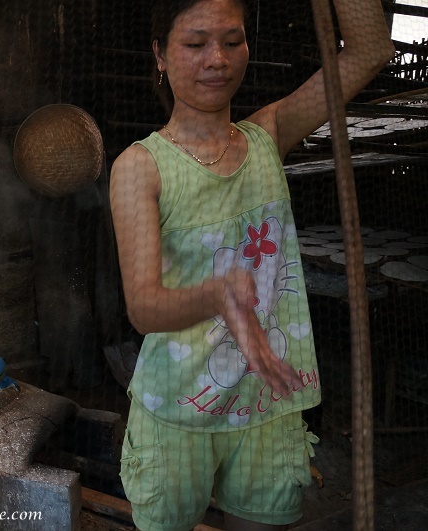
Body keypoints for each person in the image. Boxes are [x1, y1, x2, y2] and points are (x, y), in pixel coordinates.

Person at [109, 1, 393, 530]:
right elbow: (143, 306)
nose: (217, 59)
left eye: (232, 41)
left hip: (266, 401)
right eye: (195, 44)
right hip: (178, 407)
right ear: (160, 55)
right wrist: (216, 294)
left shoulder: (268, 137)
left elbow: (371, 51)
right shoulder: (139, 167)